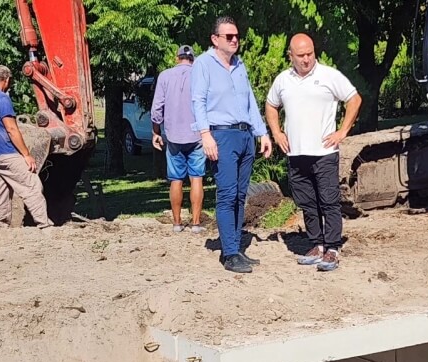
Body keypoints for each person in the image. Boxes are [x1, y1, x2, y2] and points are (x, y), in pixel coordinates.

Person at [264, 34, 361, 272]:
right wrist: (276, 132)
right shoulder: (283, 80)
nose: (307, 59)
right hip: (296, 153)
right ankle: (317, 244)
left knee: (328, 201)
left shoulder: (329, 76)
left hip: (324, 153)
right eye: (301, 55)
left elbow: (354, 99)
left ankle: (332, 248)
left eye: (310, 53)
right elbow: (270, 105)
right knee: (307, 203)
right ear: (291, 56)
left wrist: (342, 131)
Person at [191, 16, 272, 273]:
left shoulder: (240, 65)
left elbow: (250, 102)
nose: (235, 40)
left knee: (240, 194)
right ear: (215, 40)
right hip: (221, 135)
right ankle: (229, 254)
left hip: (245, 135)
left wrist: (263, 133)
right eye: (229, 36)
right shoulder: (203, 64)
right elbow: (198, 101)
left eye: (237, 36)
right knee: (226, 194)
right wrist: (205, 135)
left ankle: (237, 248)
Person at [0, 65, 52, 229]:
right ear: (7, 80)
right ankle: (44, 224)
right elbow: (11, 128)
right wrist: (26, 154)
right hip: (5, 152)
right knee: (31, 184)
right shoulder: (2, 98)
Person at [151, 45, 207, 234]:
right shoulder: (200, 75)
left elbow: (157, 108)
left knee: (176, 179)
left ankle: (176, 223)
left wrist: (156, 132)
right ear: (193, 59)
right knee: (196, 178)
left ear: (177, 58)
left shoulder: (165, 76)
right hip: (197, 135)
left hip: (174, 135)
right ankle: (196, 224)